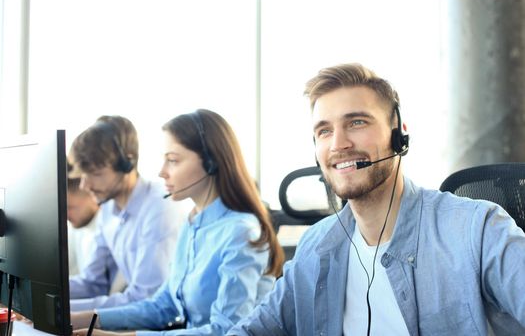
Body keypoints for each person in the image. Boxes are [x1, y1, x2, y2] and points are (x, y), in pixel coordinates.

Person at [228, 63, 525, 335]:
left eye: (356, 122)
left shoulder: (476, 230)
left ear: (399, 135)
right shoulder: (316, 247)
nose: (338, 144)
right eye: (324, 130)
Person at [71, 109, 285, 336]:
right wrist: (83, 319)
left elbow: (225, 331)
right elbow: (163, 305)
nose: (162, 172)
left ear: (211, 162)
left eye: (173, 160)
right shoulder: (193, 223)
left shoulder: (240, 233)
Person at [68, 115, 186, 312]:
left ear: (127, 164)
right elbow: (93, 283)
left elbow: (145, 299)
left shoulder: (159, 207)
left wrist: (62, 311)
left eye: (95, 174)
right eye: (83, 175)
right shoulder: (108, 209)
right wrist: (44, 294)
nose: (84, 185)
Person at [66, 175, 100, 275]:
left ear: (92, 197)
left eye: (70, 207)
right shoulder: (76, 228)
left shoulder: (107, 232)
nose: (66, 215)